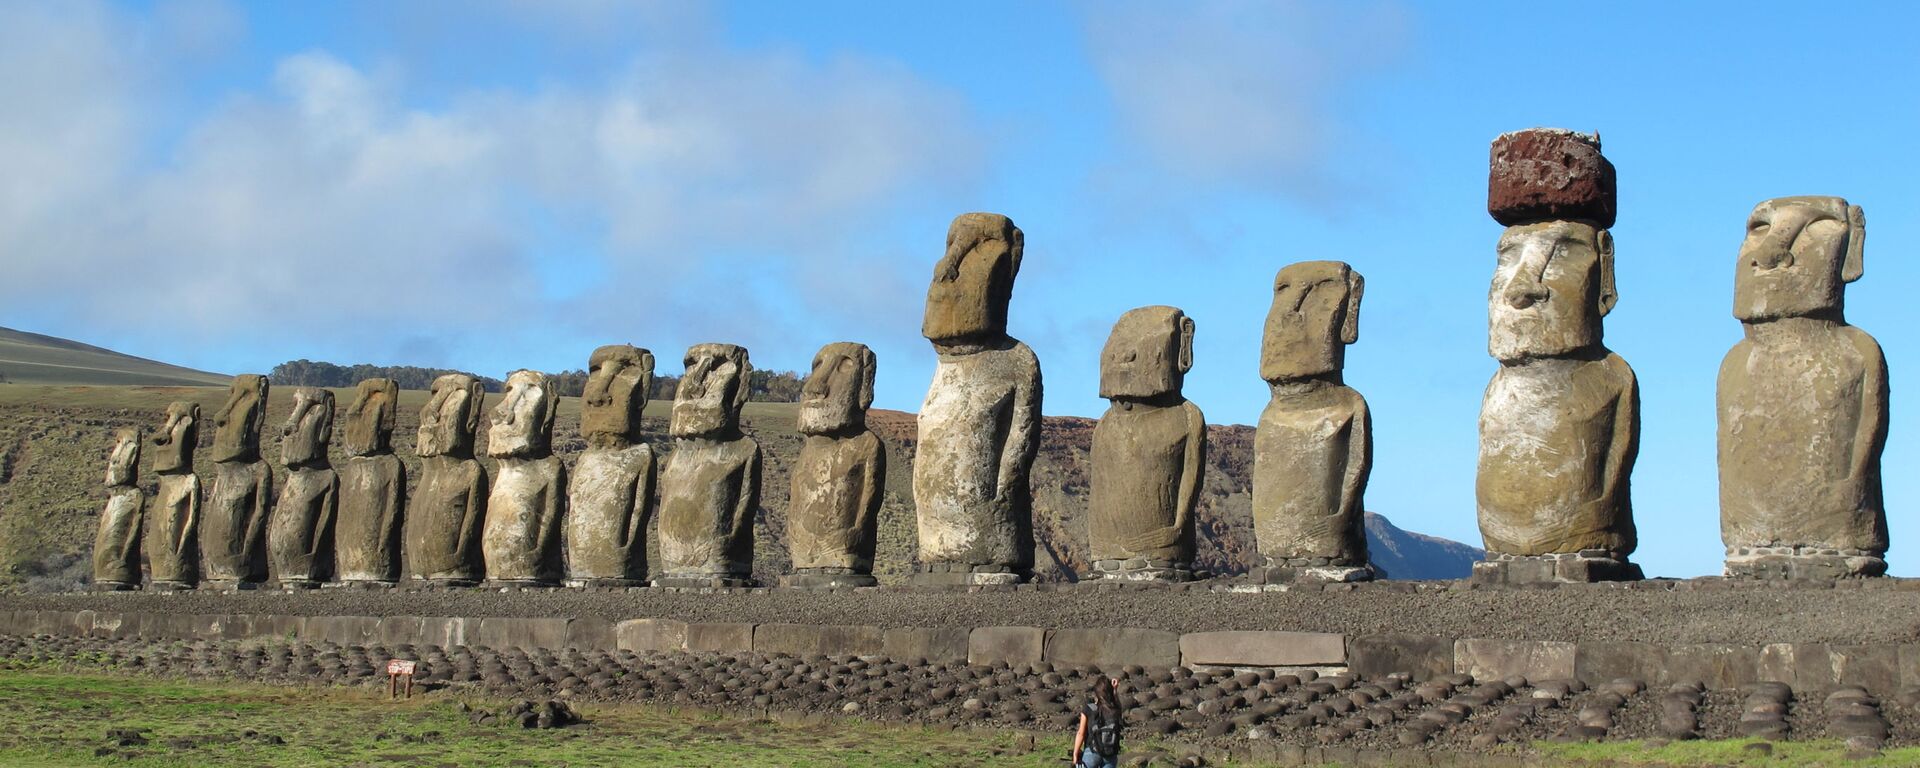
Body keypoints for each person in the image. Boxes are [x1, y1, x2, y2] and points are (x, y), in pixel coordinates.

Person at [1070, 676, 1123, 768]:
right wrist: (1115, 689)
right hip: (1110, 755)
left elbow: (1081, 733)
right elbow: (1117, 703)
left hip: (1091, 752)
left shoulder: (1089, 708)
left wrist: (1075, 754)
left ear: (1096, 692)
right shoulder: (1115, 709)